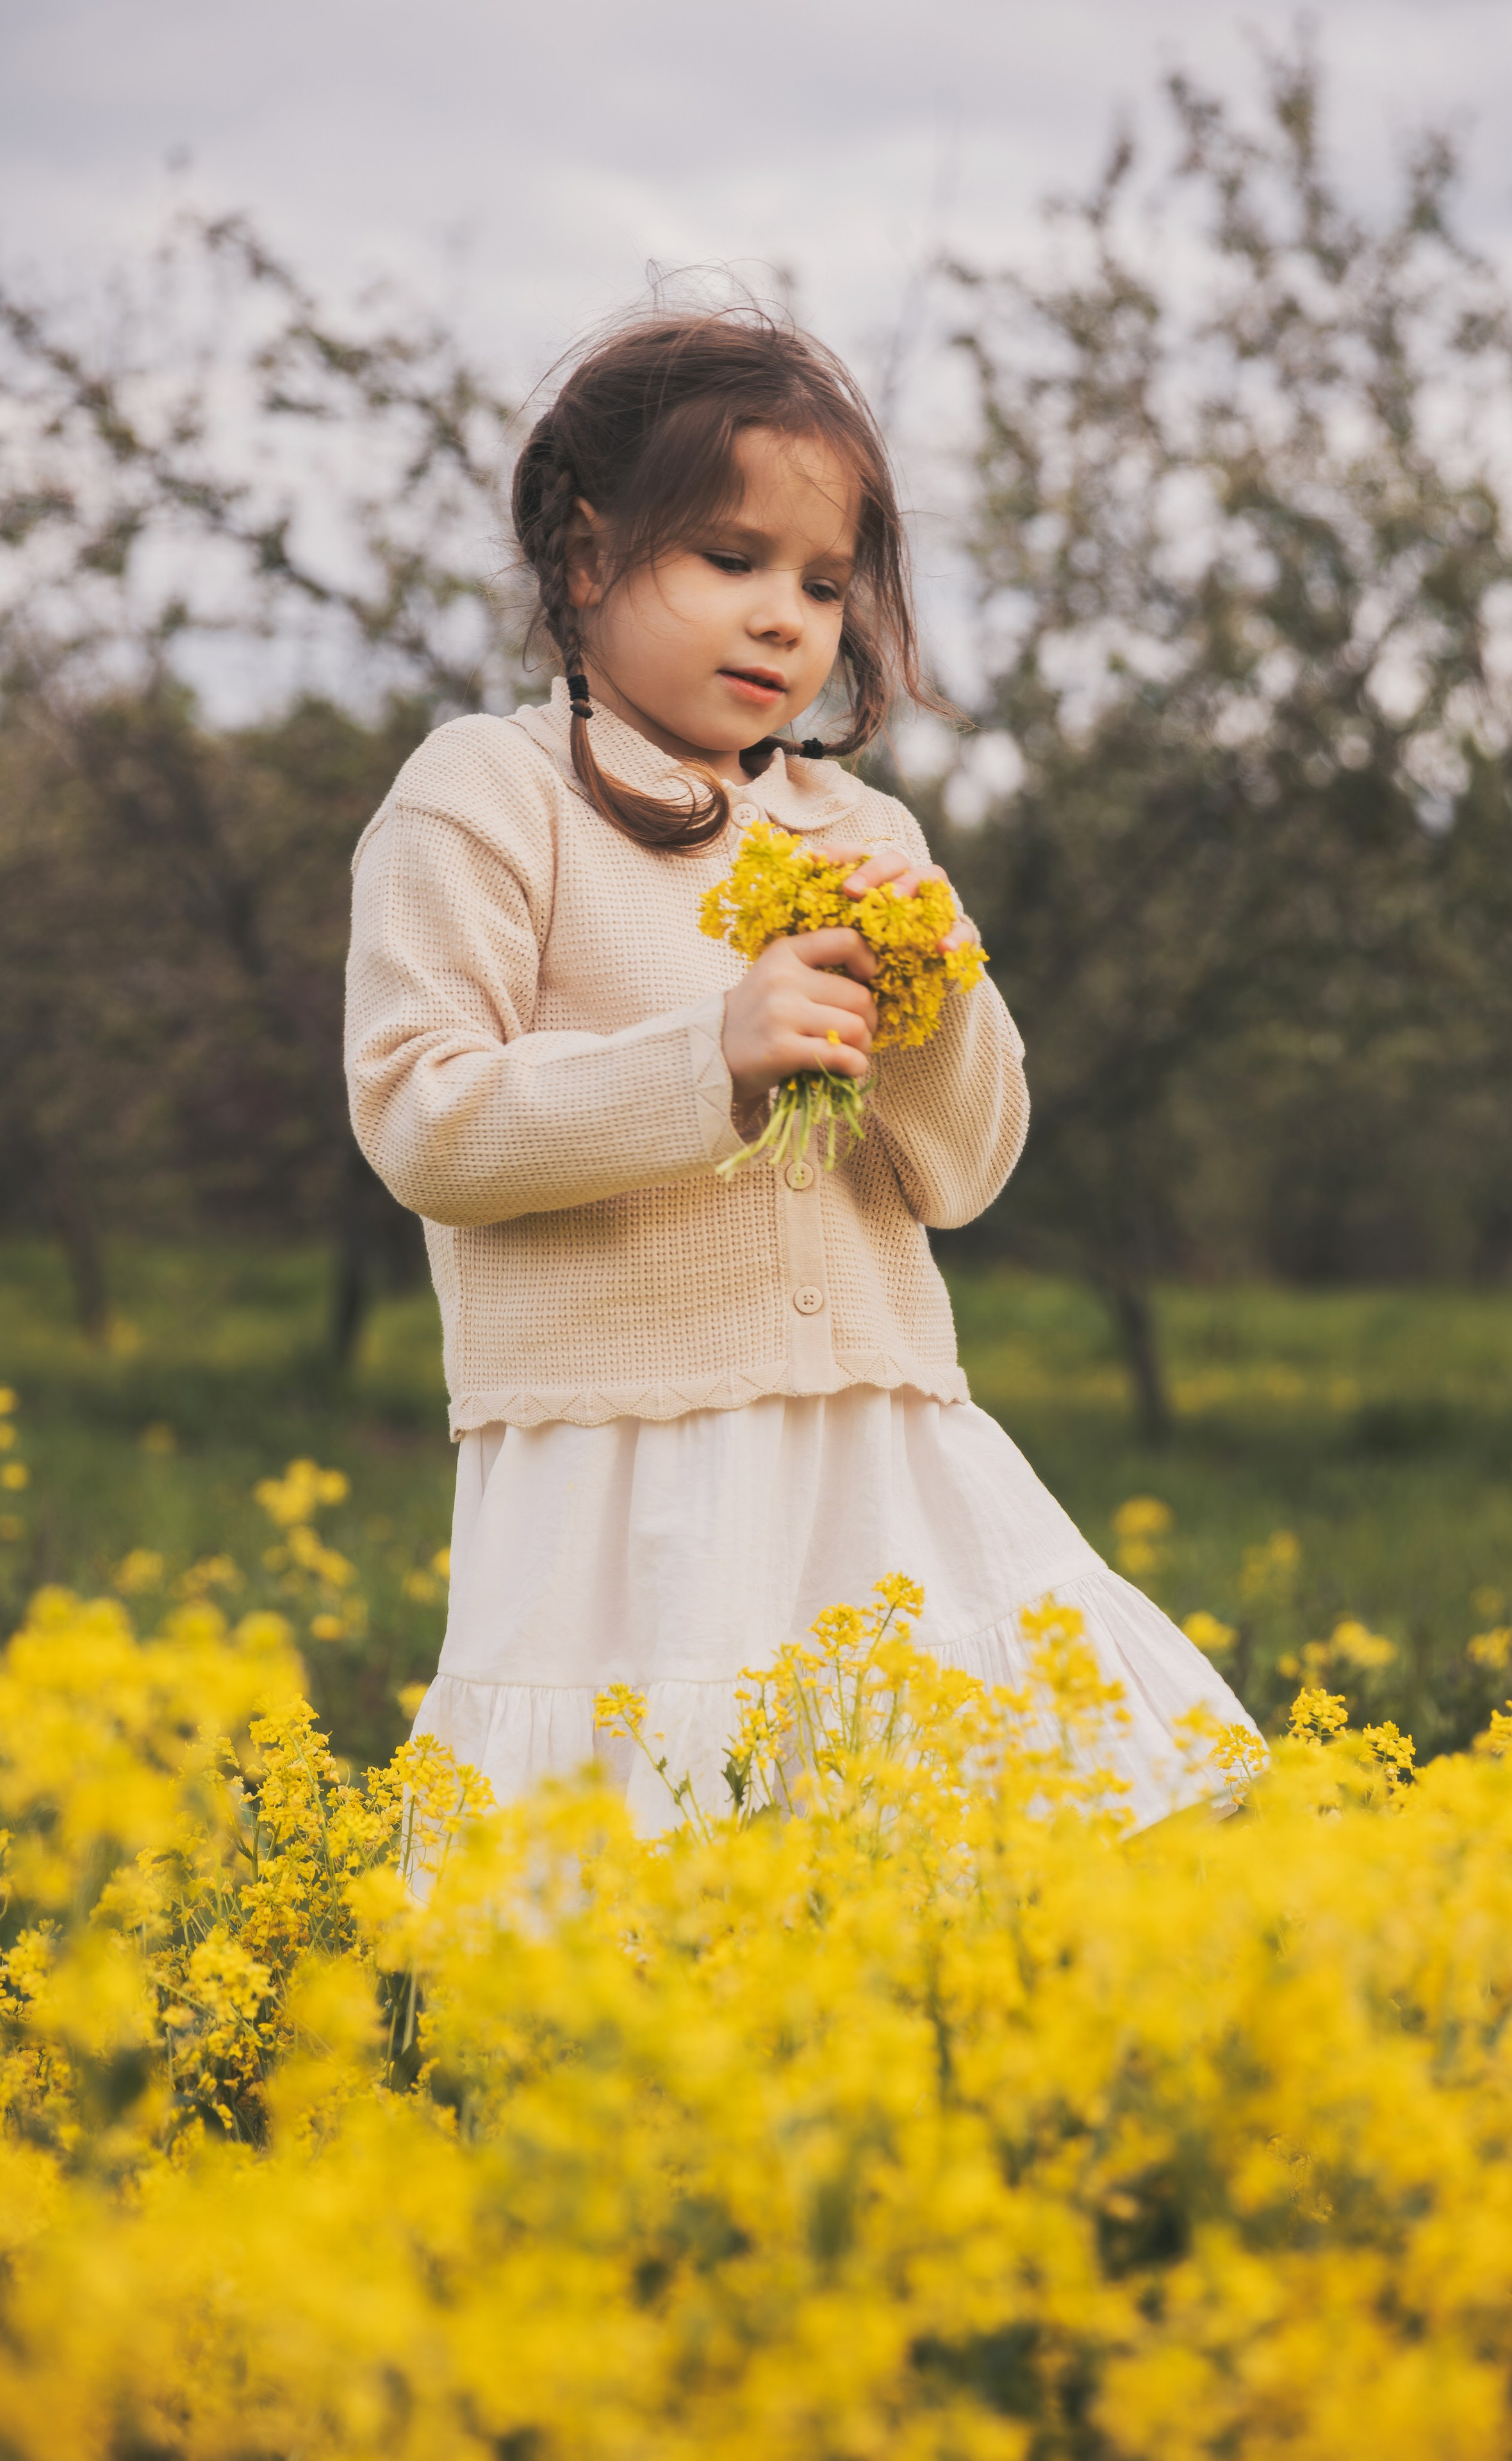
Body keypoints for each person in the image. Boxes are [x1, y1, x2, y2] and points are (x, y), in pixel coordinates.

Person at [344, 306, 1253, 1832]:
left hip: (874, 1446)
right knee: (648, 1869)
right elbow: (419, 1116)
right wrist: (708, 1058)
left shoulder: (862, 830)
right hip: (617, 1469)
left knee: (951, 1856)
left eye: (823, 584)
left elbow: (959, 1175)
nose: (783, 619)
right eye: (730, 559)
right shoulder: (490, 793)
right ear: (586, 559)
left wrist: (934, 1000)